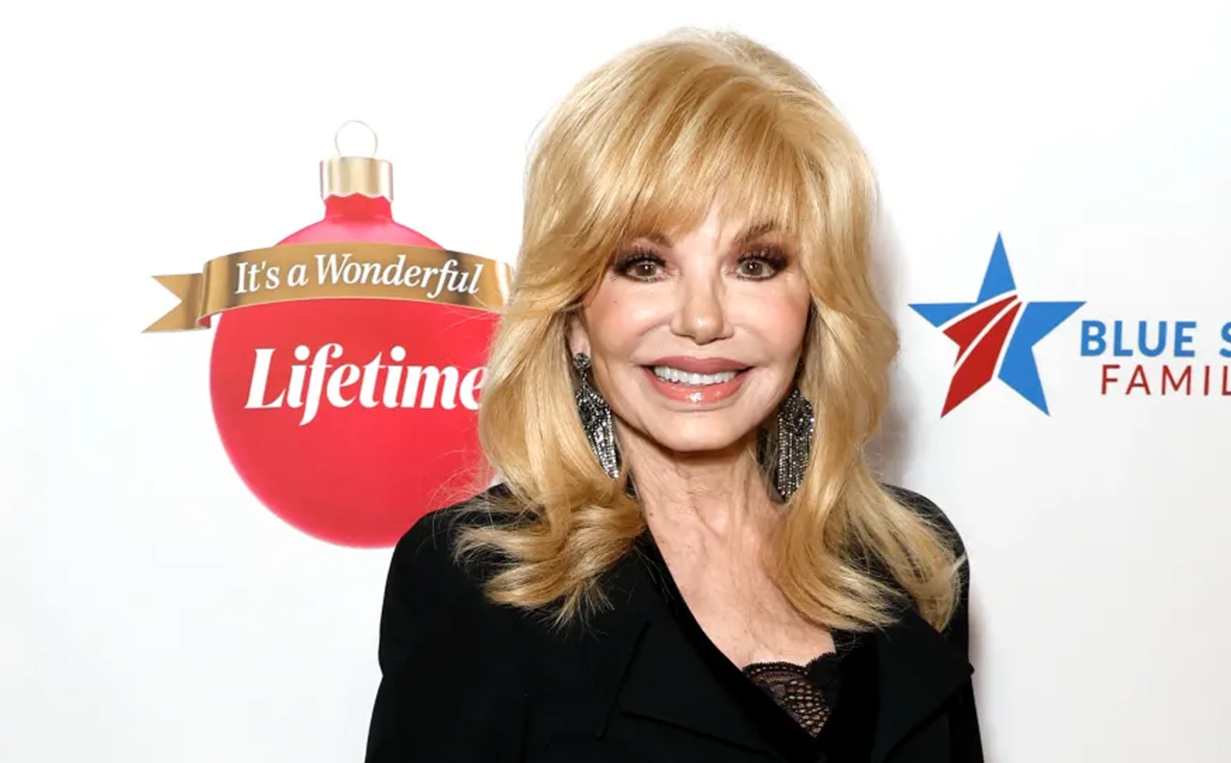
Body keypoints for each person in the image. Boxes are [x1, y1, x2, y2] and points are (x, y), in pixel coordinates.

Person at [364, 28, 983, 763]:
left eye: (755, 264)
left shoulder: (911, 559)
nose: (702, 319)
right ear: (575, 316)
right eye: (645, 264)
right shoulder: (482, 583)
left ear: (815, 304)